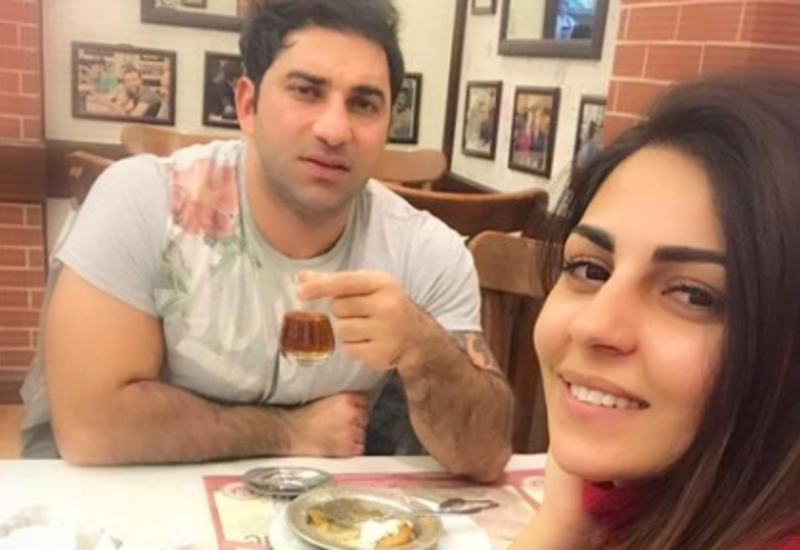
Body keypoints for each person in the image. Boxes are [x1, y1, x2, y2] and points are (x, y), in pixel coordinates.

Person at [19, 0, 513, 482]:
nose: (335, 129)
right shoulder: (142, 199)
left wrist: (423, 346)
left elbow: (485, 455)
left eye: (363, 103)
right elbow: (91, 427)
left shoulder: (428, 251)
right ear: (247, 105)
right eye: (306, 91)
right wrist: (288, 432)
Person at [510, 72, 800, 549]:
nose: (592, 325)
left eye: (693, 295)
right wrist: (561, 523)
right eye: (590, 269)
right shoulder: (638, 497)